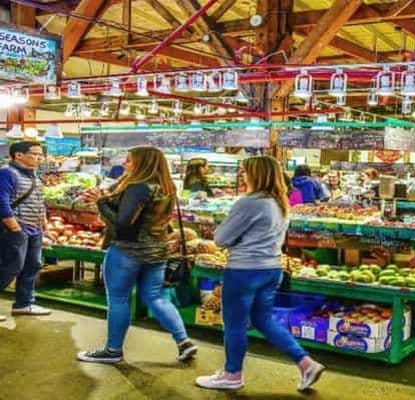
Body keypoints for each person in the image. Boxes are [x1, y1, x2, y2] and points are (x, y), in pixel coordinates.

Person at [196, 156, 324, 391]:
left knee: (234, 323)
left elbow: (221, 239)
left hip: (244, 270)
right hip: (271, 269)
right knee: (263, 320)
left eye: (245, 171)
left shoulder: (250, 203)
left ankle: (232, 374)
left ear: (258, 174)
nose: (241, 175)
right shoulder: (279, 202)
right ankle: (306, 363)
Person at [77, 146, 198, 364]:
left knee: (118, 299)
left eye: (129, 160)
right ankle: (184, 341)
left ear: (142, 164)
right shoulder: (166, 188)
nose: (125, 164)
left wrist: (101, 202)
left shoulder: (138, 187)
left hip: (127, 250)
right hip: (157, 250)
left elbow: (124, 224)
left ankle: (113, 350)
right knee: (156, 297)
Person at [0, 141, 50, 321]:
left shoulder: (35, 176)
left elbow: (39, 201)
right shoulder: (7, 173)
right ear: (18, 155)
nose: (39, 157)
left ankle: (24, 304)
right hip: (14, 229)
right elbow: (2, 203)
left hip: (34, 229)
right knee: (10, 267)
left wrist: (44, 225)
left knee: (32, 265)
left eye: (40, 154)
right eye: (35, 154)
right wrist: (15, 228)